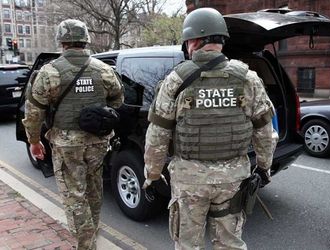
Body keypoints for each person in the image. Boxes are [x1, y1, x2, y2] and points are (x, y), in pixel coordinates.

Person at [143, 7, 277, 250]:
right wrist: (264, 166)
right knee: (229, 244)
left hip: (189, 180)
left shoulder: (176, 79)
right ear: (221, 41)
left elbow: (157, 135)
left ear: (193, 41)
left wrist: (152, 175)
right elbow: (265, 131)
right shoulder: (248, 78)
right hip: (233, 180)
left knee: (188, 245)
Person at [23, 19, 123, 249]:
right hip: (98, 141)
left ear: (61, 42)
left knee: (74, 195)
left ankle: (85, 244)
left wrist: (34, 141)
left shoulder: (49, 72)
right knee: (94, 188)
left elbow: (34, 112)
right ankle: (92, 231)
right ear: (85, 40)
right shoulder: (104, 69)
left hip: (67, 144)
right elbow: (118, 100)